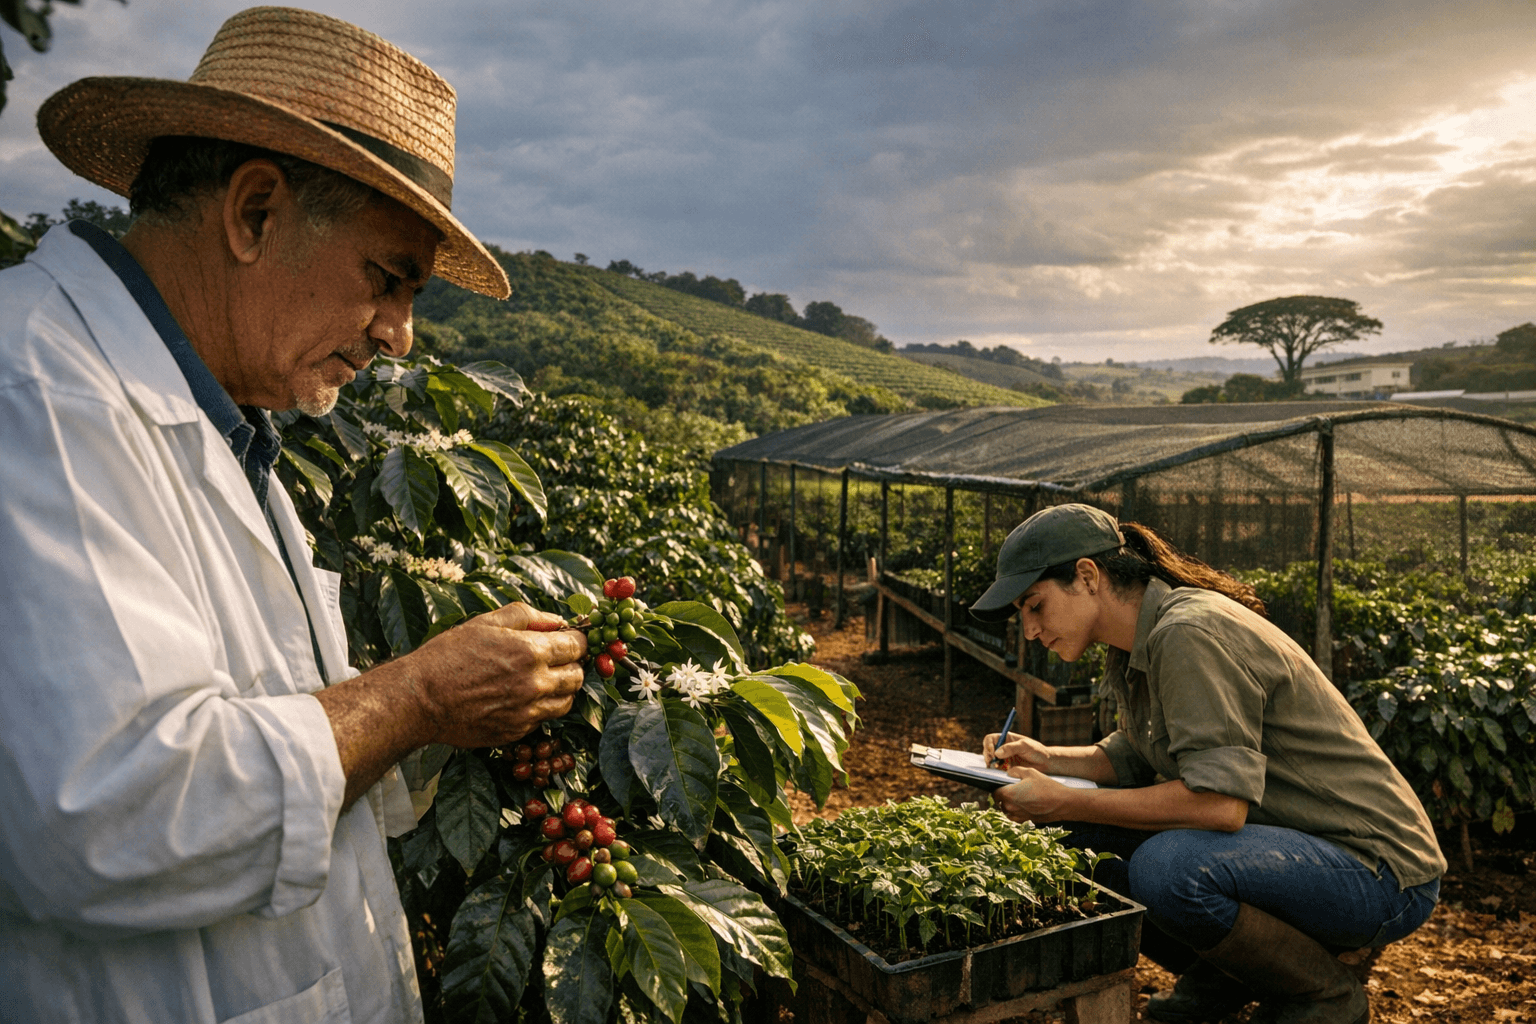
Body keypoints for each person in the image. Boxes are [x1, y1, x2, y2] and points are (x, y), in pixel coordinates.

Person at [0, 8, 586, 1023]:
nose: (400, 334)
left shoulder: (237, 439)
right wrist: (416, 697)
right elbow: (104, 812)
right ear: (256, 211)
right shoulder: (35, 390)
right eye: (389, 278)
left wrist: (443, 717)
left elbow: (276, 724)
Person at [970, 504, 1444, 1024]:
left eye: (1035, 606)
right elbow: (1136, 753)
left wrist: (1064, 798)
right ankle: (1224, 977)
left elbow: (1219, 805)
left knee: (1168, 867)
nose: (1031, 630)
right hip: (1296, 847)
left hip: (1377, 871)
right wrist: (1047, 757)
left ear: (1087, 576)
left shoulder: (1188, 632)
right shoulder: (1136, 641)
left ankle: (1324, 995)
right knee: (1078, 841)